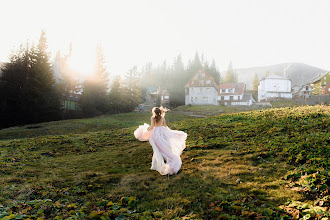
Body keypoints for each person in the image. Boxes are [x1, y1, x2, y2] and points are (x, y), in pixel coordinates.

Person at [134, 106, 187, 175]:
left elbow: (152, 127)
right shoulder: (162, 118)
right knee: (164, 147)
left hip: (155, 134)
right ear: (160, 112)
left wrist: (146, 131)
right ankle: (165, 160)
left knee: (157, 149)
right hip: (161, 132)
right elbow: (164, 125)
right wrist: (168, 131)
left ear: (154, 112)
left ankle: (162, 161)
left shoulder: (152, 118)